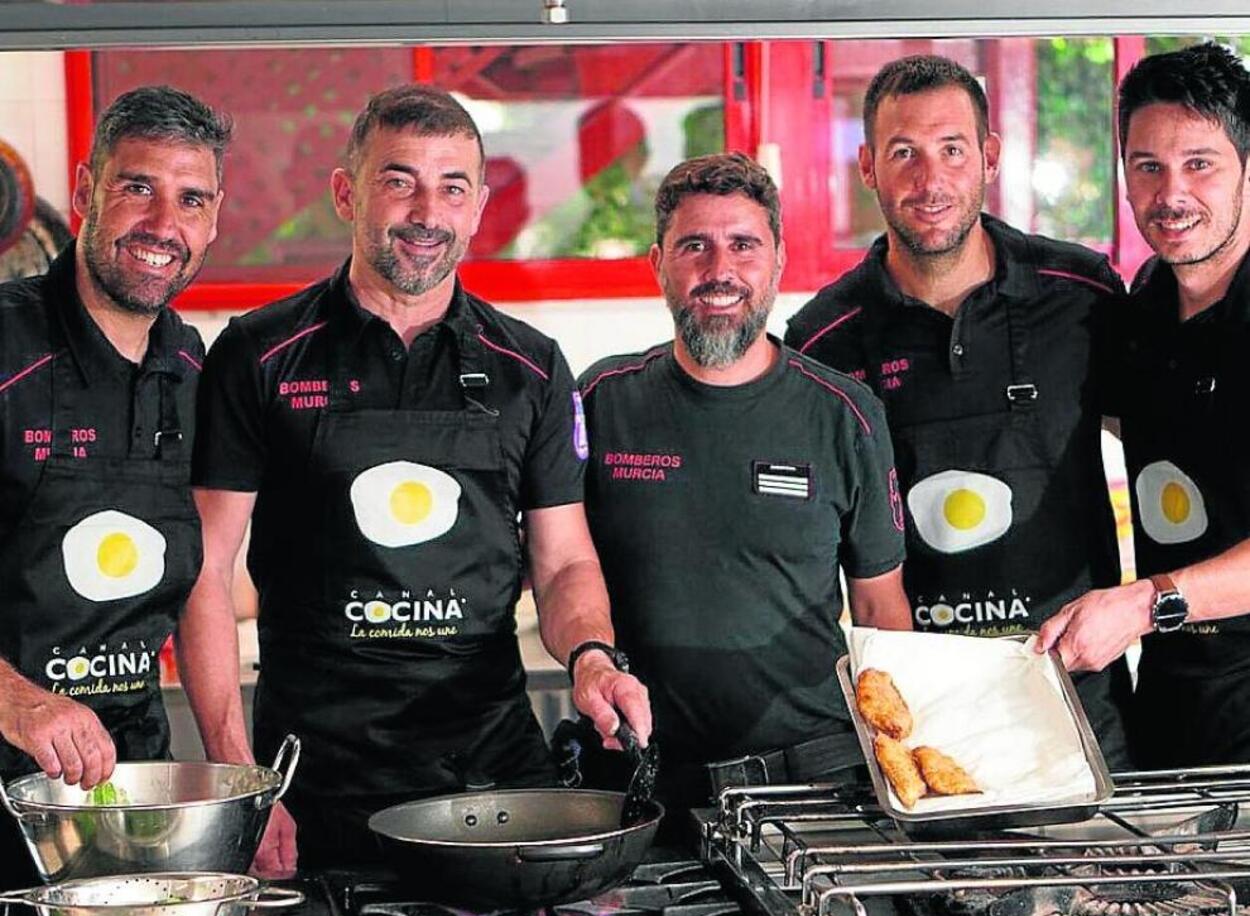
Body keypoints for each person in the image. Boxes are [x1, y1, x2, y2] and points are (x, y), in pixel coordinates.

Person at [179, 84, 651, 873]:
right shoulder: (257, 355)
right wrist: (243, 781)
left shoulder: (529, 366)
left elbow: (565, 559)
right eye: (399, 181)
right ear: (345, 193)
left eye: (452, 187)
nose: (426, 210)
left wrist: (594, 657)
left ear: (477, 208)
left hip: (491, 773)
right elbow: (204, 567)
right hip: (317, 779)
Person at [783, 55, 1134, 767]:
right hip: (925, 718)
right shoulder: (823, 337)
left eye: (951, 149)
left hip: (1079, 699)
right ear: (867, 167)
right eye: (903, 152)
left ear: (990, 157)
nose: (929, 179)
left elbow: (1166, 442)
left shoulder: (1082, 295)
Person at [577, 152, 911, 817]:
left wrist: (901, 768)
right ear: (658, 263)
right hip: (639, 781)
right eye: (694, 246)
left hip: (811, 782)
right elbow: (553, 566)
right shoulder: (600, 403)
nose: (719, 270)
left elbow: (880, 612)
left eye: (743, 245)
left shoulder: (844, 414)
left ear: (779, 259)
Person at [0, 85, 229, 887]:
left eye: (190, 199)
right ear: (86, 191)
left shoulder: (197, 369)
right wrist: (20, 701)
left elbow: (203, 578)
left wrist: (241, 781)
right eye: (138, 187)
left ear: (213, 217)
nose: (163, 226)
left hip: (123, 802)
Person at [1038, 43, 1250, 768]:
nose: (1171, 194)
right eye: (1147, 166)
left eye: (1201, 163)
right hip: (1174, 707)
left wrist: (1143, 601)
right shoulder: (1141, 313)